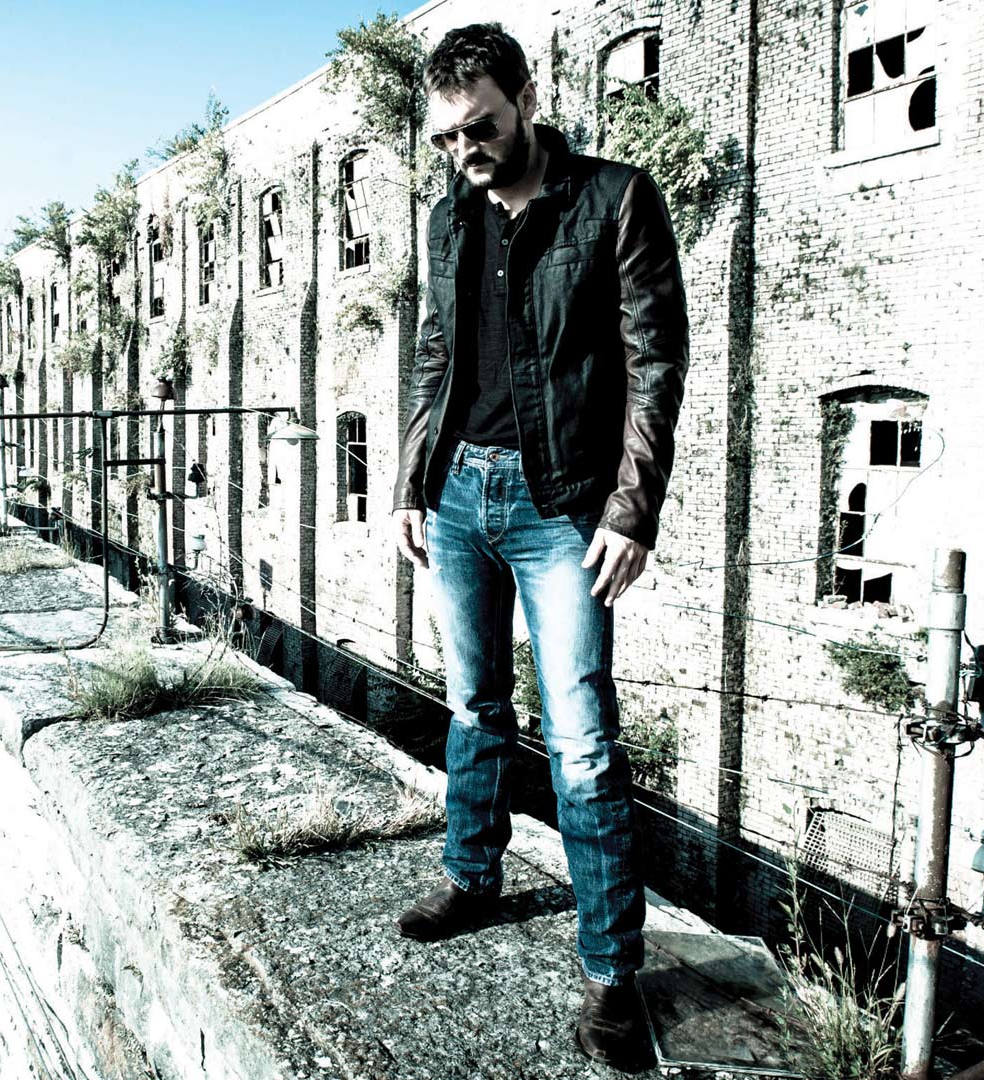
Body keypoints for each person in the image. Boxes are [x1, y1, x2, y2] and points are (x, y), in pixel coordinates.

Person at [388, 21, 690, 1072]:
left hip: (563, 505)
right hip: (457, 494)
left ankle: (612, 973)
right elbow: (435, 353)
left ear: (526, 97)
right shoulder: (448, 218)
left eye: (479, 127)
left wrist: (631, 510)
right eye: (446, 137)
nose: (464, 151)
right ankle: (473, 878)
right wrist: (412, 482)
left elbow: (656, 364)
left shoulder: (615, 199)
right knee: (472, 702)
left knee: (583, 738)